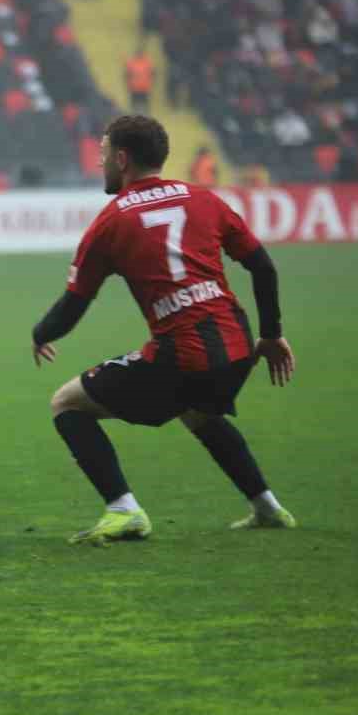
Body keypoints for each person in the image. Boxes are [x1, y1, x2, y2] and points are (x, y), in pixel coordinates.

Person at [30, 115, 297, 544]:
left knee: (66, 403)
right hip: (237, 346)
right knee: (198, 411)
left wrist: (41, 333)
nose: (100, 165)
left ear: (122, 159)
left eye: (103, 156)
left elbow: (74, 305)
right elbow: (262, 266)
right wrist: (270, 334)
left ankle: (124, 510)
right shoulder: (203, 199)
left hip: (183, 353)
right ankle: (267, 506)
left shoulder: (111, 221)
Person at [124, 47, 155, 112]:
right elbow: (127, 75)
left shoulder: (147, 63)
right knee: (136, 105)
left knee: (143, 105)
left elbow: (152, 74)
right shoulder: (132, 63)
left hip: (143, 88)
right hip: (135, 88)